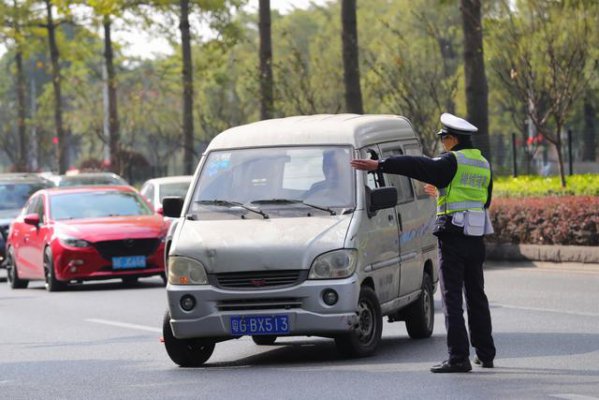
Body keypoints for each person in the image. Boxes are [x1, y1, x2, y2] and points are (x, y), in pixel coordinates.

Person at [351, 113, 496, 373]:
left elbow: (417, 166)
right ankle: (485, 354)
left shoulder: (451, 161)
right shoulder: (482, 163)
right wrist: (441, 191)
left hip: (452, 236)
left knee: (451, 297)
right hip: (475, 237)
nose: (442, 143)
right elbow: (482, 200)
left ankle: (458, 358)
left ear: (453, 139)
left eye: (443, 138)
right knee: (476, 295)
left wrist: (380, 165)